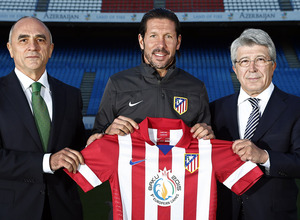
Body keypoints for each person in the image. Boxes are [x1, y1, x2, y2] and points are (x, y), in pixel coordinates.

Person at [66, 117, 263, 220]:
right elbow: (78, 169)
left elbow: (248, 175)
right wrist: (93, 144)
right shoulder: (117, 147)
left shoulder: (208, 148)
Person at [0, 17, 86, 220]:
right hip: (12, 212)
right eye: (23, 40)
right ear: (10, 49)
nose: (33, 46)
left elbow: (79, 149)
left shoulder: (71, 95)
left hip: (65, 211)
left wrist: (102, 139)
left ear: (50, 49)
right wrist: (47, 162)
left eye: (40, 39)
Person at [210, 28, 300, 220]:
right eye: (244, 61)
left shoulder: (296, 108)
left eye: (260, 60)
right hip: (224, 213)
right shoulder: (214, 110)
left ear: (273, 65)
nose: (252, 69)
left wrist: (264, 156)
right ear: (235, 68)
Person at [88, 8, 214, 144]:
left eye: (168, 37)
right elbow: (95, 138)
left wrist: (208, 134)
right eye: (153, 36)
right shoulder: (117, 83)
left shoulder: (196, 88)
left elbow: (207, 145)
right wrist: (106, 131)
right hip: (133, 164)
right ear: (141, 41)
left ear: (178, 42)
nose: (161, 45)